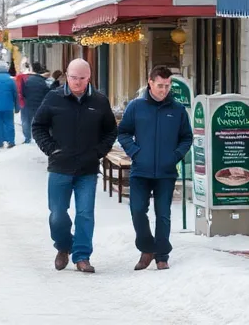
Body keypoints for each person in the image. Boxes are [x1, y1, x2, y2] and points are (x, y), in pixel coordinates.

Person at [32, 58, 118, 274]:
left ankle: (82, 257)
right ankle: (63, 246)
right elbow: (38, 126)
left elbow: (110, 131)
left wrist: (98, 152)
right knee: (57, 214)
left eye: (81, 78)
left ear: (89, 78)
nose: (77, 82)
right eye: (73, 78)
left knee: (85, 214)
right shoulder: (53, 98)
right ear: (66, 77)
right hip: (60, 166)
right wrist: (51, 149)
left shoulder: (99, 101)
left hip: (87, 169)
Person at [116, 66, 191, 270]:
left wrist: (175, 156)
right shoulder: (136, 107)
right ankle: (147, 247)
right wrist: (135, 152)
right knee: (138, 210)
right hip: (140, 170)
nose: (164, 90)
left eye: (167, 86)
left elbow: (186, 137)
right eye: (160, 86)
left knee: (163, 214)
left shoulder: (177, 110)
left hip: (166, 172)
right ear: (150, 83)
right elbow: (123, 133)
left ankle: (162, 255)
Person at [21, 62, 52, 145]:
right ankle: (41, 137)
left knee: (26, 121)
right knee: (40, 122)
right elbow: (47, 93)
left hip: (28, 104)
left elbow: (23, 92)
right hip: (40, 104)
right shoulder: (43, 81)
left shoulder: (27, 80)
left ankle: (27, 138)